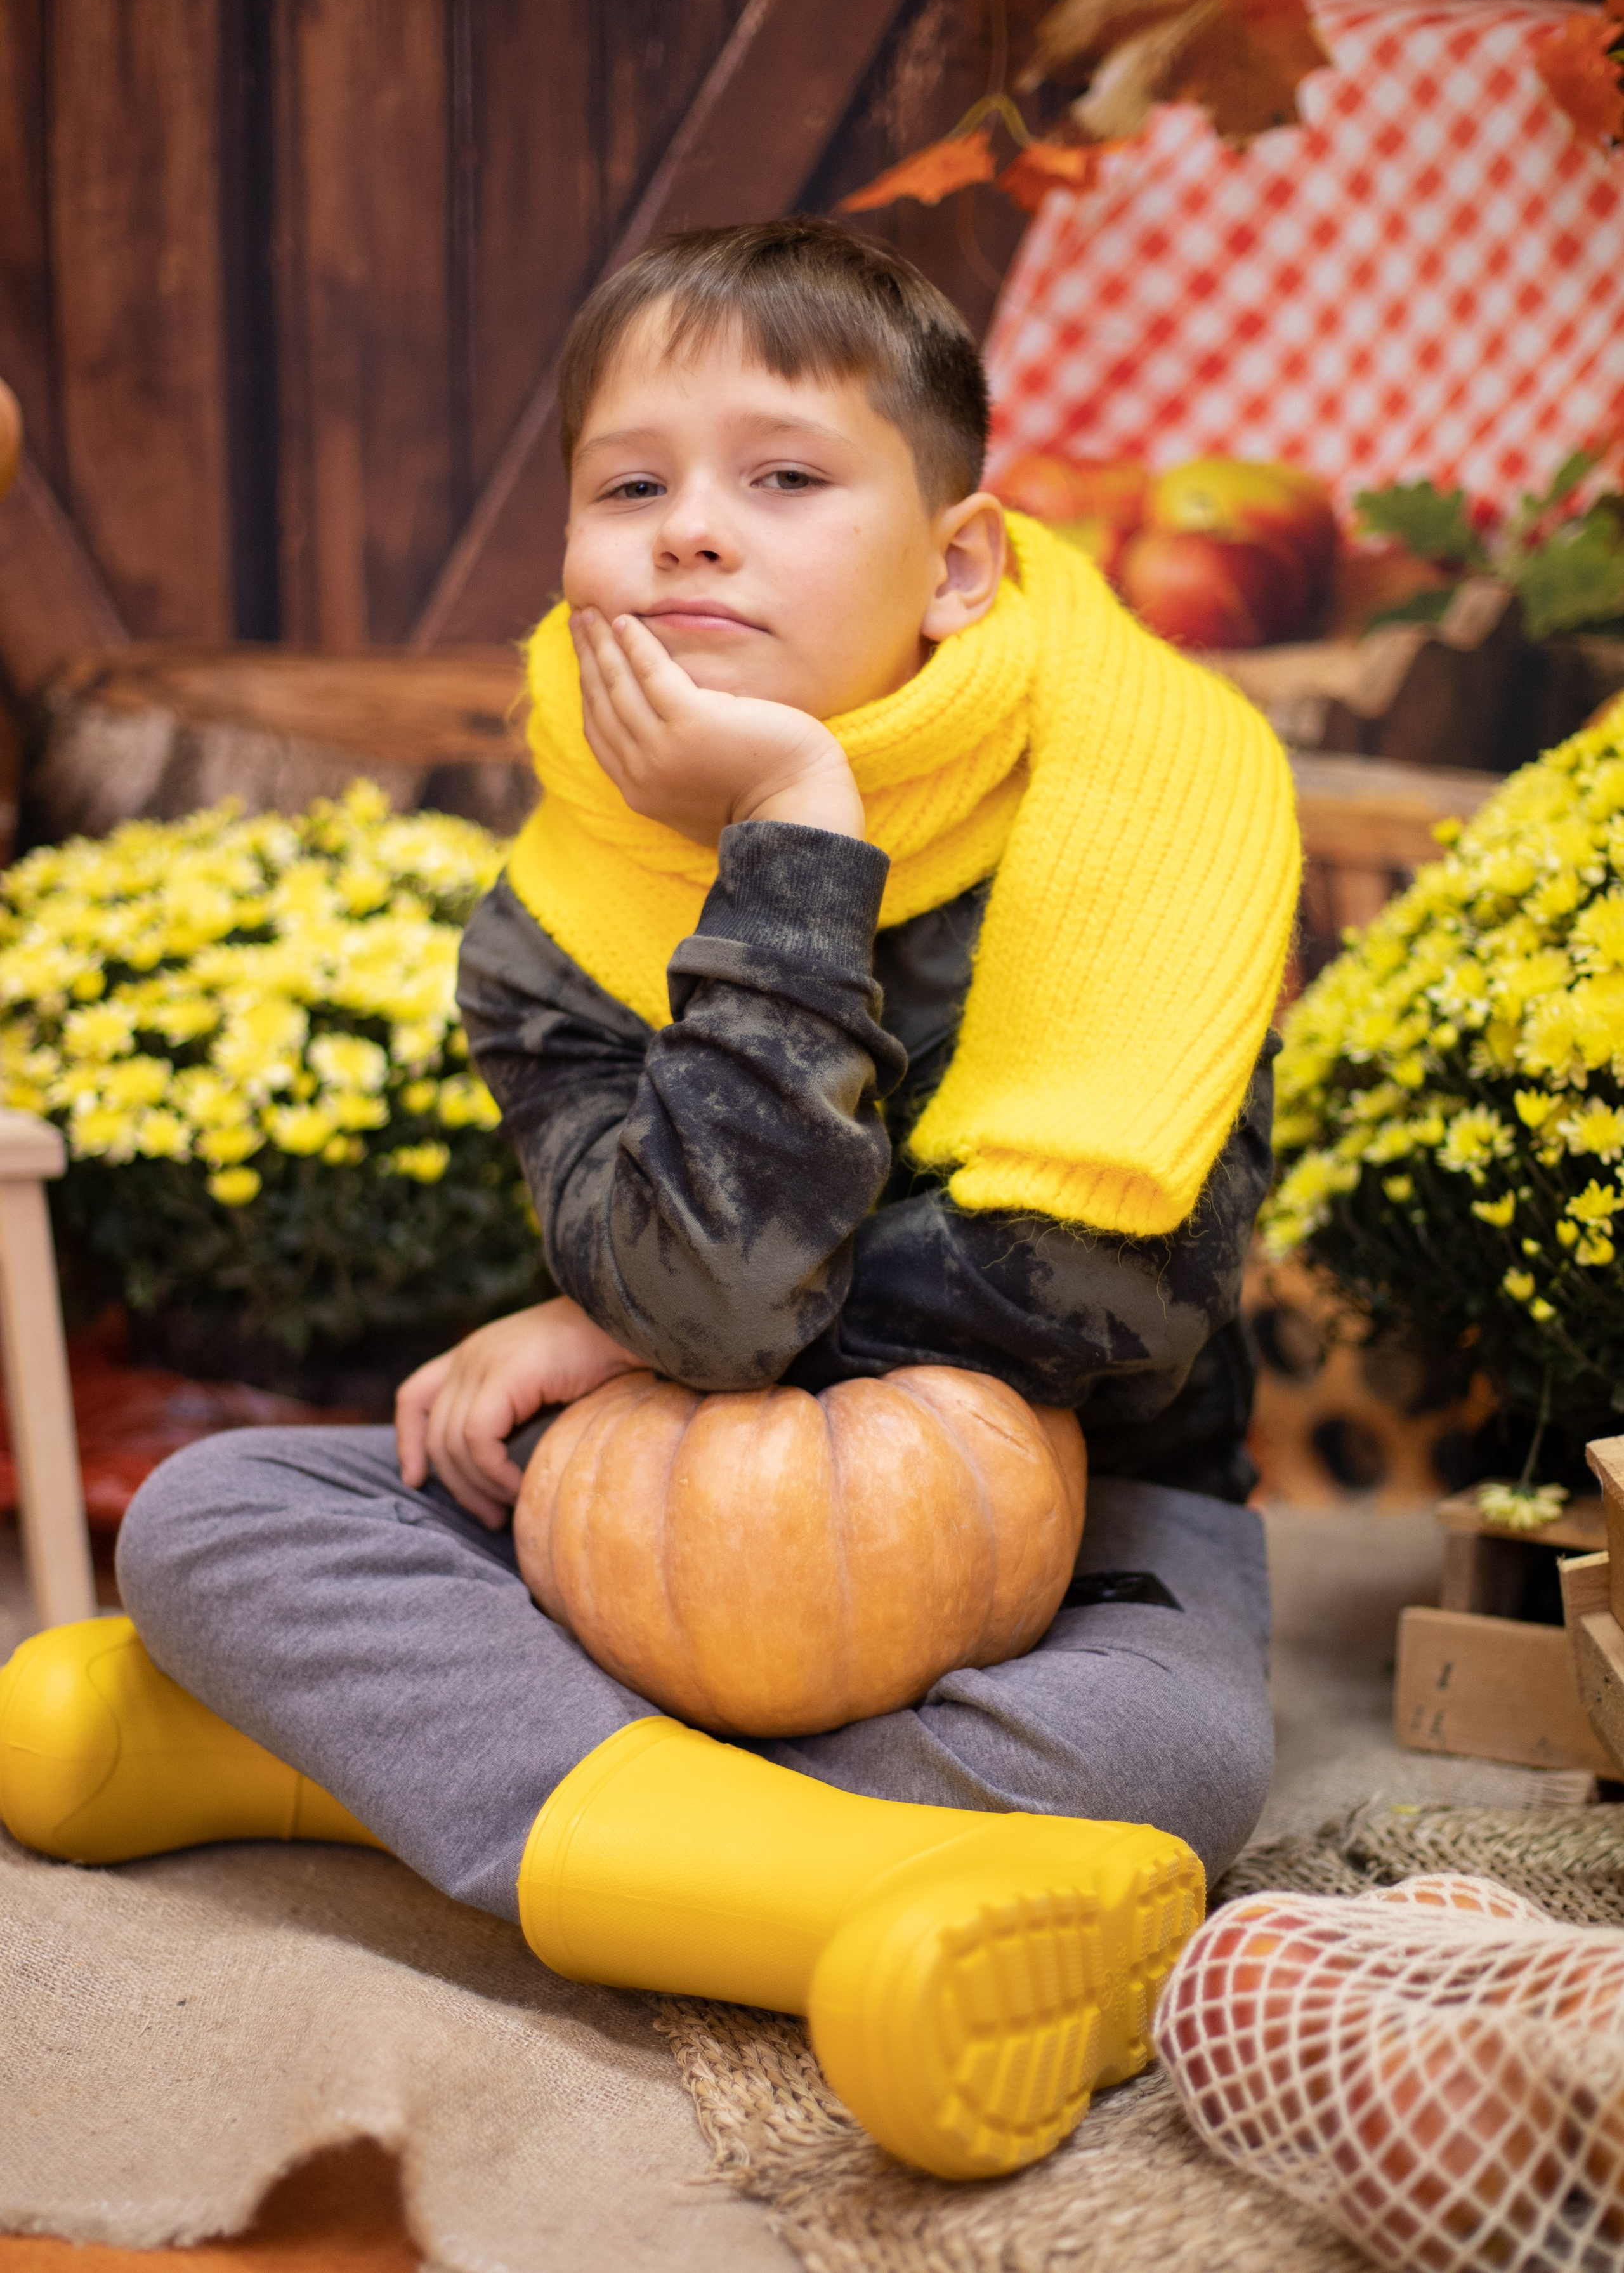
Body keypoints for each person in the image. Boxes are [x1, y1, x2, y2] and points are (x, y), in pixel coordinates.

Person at [0, 220, 1299, 2180]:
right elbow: (711, 1315)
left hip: (1076, 1524)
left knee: (1164, 1758)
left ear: (957, 564)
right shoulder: (556, 919)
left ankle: (386, 1771)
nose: (693, 531)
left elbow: (1087, 1297)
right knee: (210, 1519)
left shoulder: (1165, 797)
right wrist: (794, 840)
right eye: (632, 489)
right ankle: (841, 1899)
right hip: (655, 1524)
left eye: (783, 478)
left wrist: (597, 1324)